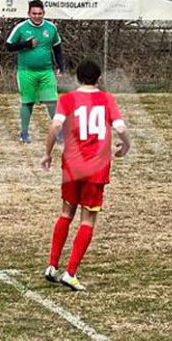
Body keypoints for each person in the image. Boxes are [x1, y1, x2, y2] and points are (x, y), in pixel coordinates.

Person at [40, 60, 130, 291]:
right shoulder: (107, 99)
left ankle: (52, 265)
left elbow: (55, 127)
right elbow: (120, 128)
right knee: (88, 218)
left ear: (77, 78)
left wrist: (47, 153)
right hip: (96, 168)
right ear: (98, 79)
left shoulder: (67, 99)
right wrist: (125, 145)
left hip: (71, 165)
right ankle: (70, 273)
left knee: (65, 212)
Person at [6, 0, 64, 143]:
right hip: (26, 71)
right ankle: (24, 133)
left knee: (52, 101)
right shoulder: (21, 27)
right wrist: (26, 44)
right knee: (28, 102)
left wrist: (61, 66)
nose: (37, 16)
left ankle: (59, 133)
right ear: (29, 13)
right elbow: (9, 46)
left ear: (44, 13)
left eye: (40, 13)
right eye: (34, 13)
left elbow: (57, 49)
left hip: (46, 71)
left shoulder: (51, 28)